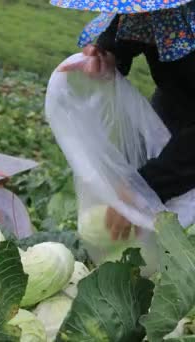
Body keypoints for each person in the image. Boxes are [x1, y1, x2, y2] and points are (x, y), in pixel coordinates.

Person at [50, 0, 195, 240]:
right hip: (176, 99)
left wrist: (146, 187)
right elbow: (128, 25)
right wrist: (107, 56)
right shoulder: (150, 9)